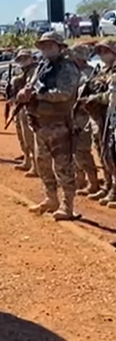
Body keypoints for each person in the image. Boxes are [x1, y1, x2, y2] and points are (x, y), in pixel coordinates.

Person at [18, 31, 81, 220]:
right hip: (40, 123)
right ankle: (51, 198)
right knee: (42, 163)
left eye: (50, 45)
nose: (46, 49)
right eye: (43, 46)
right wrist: (24, 93)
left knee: (63, 167)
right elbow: (31, 86)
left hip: (59, 124)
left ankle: (67, 206)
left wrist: (38, 95)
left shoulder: (67, 67)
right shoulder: (42, 66)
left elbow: (64, 93)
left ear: (60, 47)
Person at [79, 41, 116, 205]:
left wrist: (94, 98)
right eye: (100, 51)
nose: (102, 54)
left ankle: (114, 190)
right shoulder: (102, 71)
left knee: (112, 154)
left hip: (111, 117)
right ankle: (108, 185)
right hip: (99, 117)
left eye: (105, 51)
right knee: (103, 152)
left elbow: (111, 96)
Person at [70, 44, 100, 196]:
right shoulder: (72, 71)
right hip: (72, 115)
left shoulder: (89, 74)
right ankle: (80, 179)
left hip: (83, 116)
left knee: (82, 150)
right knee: (73, 150)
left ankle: (93, 182)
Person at [11, 49, 39, 176]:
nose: (23, 61)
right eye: (21, 58)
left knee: (29, 136)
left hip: (30, 107)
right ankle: (27, 160)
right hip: (20, 106)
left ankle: (35, 166)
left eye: (25, 58)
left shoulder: (34, 71)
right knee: (22, 135)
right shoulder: (22, 71)